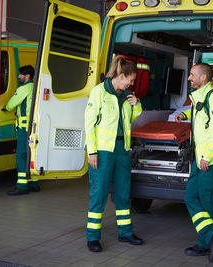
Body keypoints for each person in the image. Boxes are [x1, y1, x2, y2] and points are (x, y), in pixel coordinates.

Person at [84, 55, 143, 252]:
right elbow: (89, 124)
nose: (132, 83)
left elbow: (131, 120)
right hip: (102, 151)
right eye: (131, 79)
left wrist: (137, 105)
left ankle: (125, 233)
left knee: (123, 192)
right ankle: (92, 237)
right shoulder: (99, 92)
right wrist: (92, 151)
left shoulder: (126, 96)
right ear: (122, 76)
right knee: (99, 193)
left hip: (122, 150)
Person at [175, 63, 213, 262]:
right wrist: (184, 115)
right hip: (200, 158)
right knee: (190, 196)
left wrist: (206, 155)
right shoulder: (201, 97)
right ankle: (212, 235)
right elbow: (199, 113)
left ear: (203, 78)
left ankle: (207, 242)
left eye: (192, 75)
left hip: (210, 159)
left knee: (208, 202)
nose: (189, 78)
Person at [6, 65, 40, 196]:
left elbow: (10, 105)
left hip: (24, 129)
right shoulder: (36, 87)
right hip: (35, 128)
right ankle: (34, 183)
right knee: (33, 155)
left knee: (21, 155)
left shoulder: (24, 88)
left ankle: (22, 185)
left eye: (21, 74)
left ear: (28, 76)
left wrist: (6, 107)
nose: (19, 76)